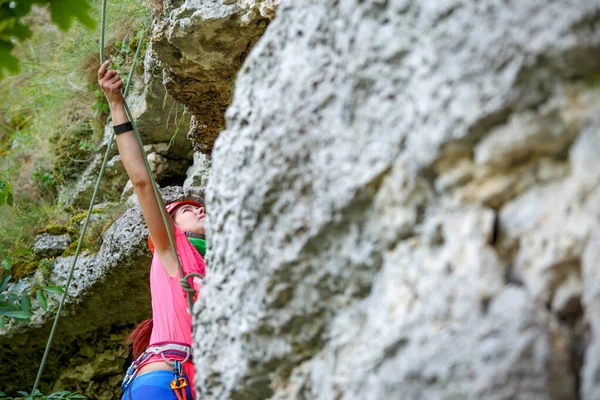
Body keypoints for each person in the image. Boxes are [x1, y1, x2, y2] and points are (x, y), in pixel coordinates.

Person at [98, 60, 206, 400]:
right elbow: (143, 182)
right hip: (165, 380)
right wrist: (116, 105)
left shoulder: (217, 269)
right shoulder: (173, 249)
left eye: (204, 208)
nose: (201, 209)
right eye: (188, 210)